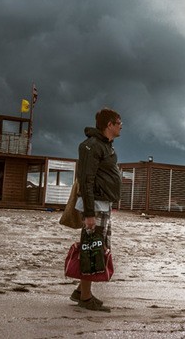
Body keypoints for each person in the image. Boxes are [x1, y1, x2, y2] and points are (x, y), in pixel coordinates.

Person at [69, 107, 122, 311]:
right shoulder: (91, 146)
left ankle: (81, 291)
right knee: (91, 248)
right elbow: (86, 180)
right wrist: (89, 214)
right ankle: (85, 297)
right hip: (96, 205)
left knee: (98, 247)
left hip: (104, 204)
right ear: (109, 124)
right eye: (119, 124)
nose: (121, 127)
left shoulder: (106, 146)